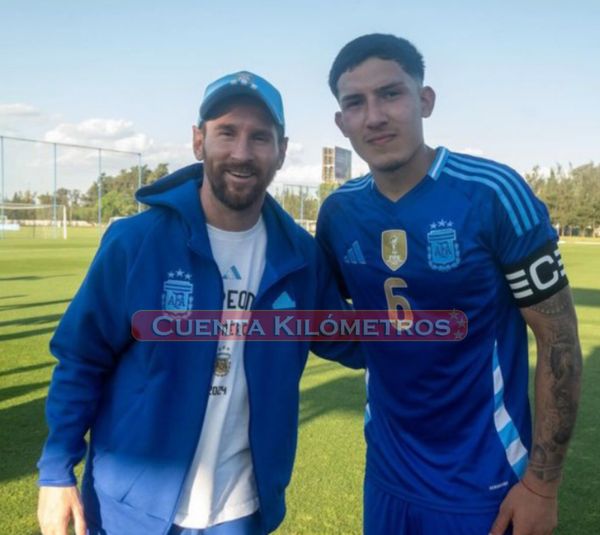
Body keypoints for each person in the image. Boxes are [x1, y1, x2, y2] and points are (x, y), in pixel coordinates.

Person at [37, 70, 361, 535]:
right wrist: (55, 472)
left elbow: (350, 340)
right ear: (198, 141)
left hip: (240, 511)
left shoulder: (300, 258)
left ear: (282, 151)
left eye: (260, 137)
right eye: (226, 132)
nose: (242, 152)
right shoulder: (136, 243)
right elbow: (80, 359)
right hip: (130, 510)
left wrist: (439, 311)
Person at [317, 33, 582, 535]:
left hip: (484, 477)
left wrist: (543, 486)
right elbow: (335, 319)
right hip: (387, 475)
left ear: (425, 100)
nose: (374, 115)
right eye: (356, 102)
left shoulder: (492, 193)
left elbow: (559, 338)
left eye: (391, 93)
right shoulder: (339, 212)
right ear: (342, 122)